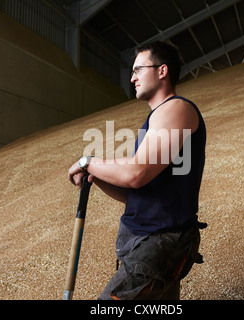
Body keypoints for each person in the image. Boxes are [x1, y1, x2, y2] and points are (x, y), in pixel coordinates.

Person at [68, 41, 206, 300]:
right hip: (146, 239)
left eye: (138, 70)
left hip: (160, 241)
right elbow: (138, 191)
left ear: (162, 71)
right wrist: (97, 176)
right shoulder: (157, 120)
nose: (132, 78)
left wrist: (88, 161)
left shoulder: (175, 109)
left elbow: (135, 174)